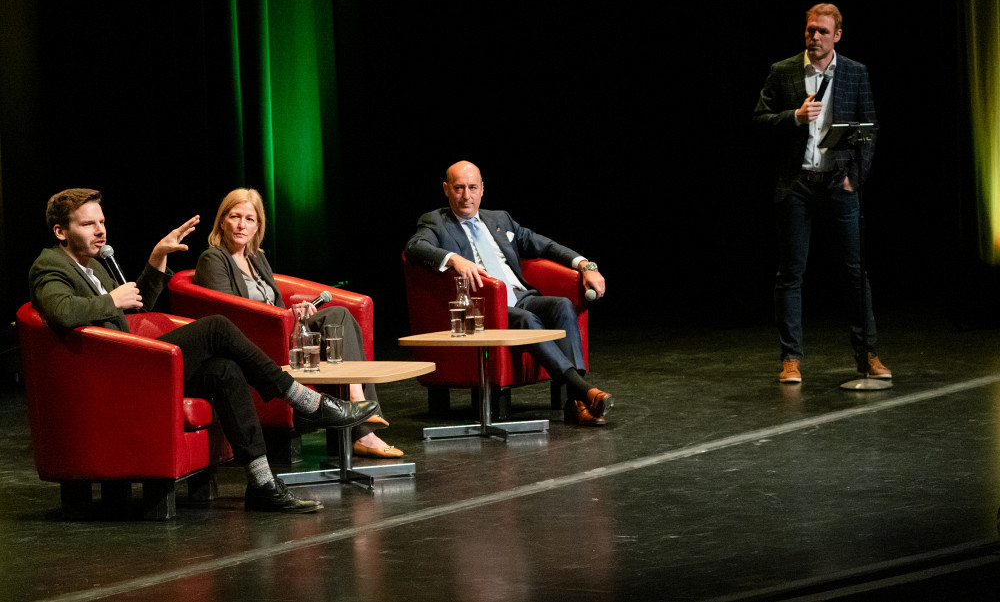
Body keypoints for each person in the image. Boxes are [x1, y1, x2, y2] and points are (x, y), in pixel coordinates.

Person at [29, 188, 379, 514]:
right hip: (113, 375)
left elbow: (136, 308)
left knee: (225, 369)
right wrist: (110, 300)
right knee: (216, 326)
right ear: (61, 231)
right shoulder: (50, 266)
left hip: (132, 363)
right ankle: (304, 400)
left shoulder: (93, 267)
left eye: (102, 222)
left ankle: (262, 483)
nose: (100, 230)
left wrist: (156, 260)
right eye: (88, 224)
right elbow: (59, 311)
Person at [194, 188, 402, 459]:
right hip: (252, 342)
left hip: (278, 332)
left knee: (339, 315)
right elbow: (231, 313)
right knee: (334, 322)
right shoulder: (213, 258)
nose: (242, 225)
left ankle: (358, 411)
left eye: (250, 219)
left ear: (258, 225)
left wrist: (292, 314)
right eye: (234, 217)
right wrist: (282, 319)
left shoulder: (257, 258)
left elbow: (275, 305)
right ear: (222, 220)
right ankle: (362, 422)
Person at [404, 160, 612, 425]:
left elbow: (544, 245)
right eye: (458, 188)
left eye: (472, 188)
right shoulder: (435, 221)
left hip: (522, 296)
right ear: (446, 189)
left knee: (561, 305)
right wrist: (454, 258)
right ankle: (585, 393)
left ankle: (576, 400)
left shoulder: (500, 219)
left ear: (482, 189)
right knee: (526, 321)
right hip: (485, 307)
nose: (466, 196)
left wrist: (586, 265)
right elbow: (415, 247)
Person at [752, 3, 891, 384]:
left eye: (823, 32)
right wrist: (794, 117)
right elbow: (759, 121)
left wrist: (856, 178)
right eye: (811, 30)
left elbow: (870, 128)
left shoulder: (854, 73)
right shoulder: (783, 72)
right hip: (797, 184)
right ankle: (791, 359)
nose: (815, 37)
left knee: (854, 273)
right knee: (791, 274)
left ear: (837, 36)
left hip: (839, 183)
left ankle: (868, 355)